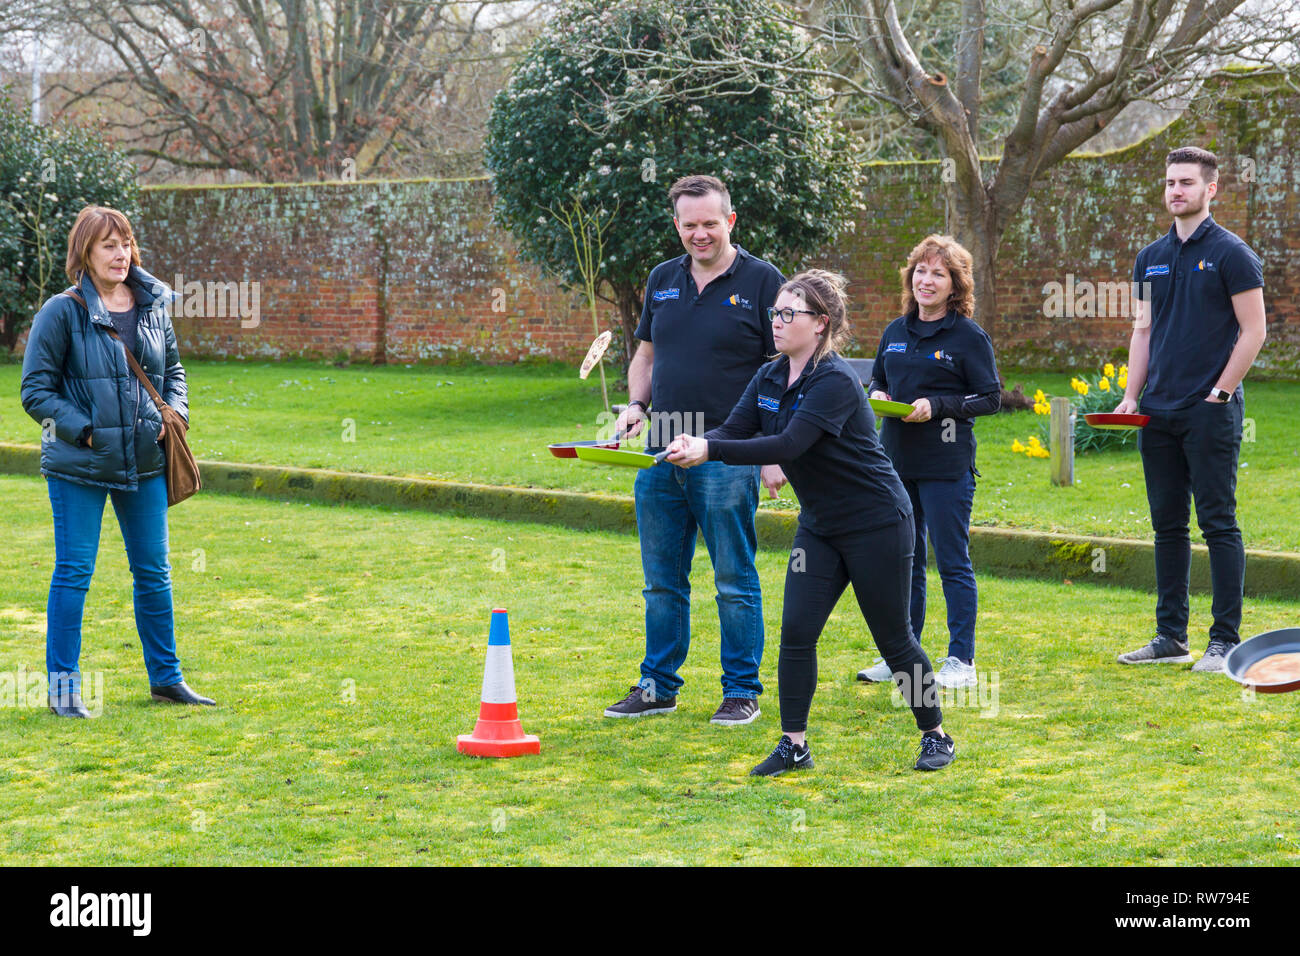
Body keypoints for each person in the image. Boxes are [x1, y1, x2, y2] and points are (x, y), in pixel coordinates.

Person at [667, 270, 955, 775]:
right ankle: (794, 745)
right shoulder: (770, 376)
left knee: (894, 639)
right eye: (774, 313)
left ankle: (936, 735)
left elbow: (788, 445)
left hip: (878, 524)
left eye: (787, 314)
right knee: (797, 633)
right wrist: (689, 442)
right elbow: (735, 429)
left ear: (820, 323)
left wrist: (711, 449)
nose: (776, 322)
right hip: (820, 526)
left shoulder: (836, 381)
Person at [602, 175, 786, 725]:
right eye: (689, 225)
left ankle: (741, 690)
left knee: (733, 577)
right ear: (676, 225)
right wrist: (636, 405)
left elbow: (782, 370)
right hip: (661, 448)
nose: (700, 233)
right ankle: (657, 686)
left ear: (730, 221)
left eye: (710, 222)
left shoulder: (762, 281)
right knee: (660, 580)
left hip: (727, 448)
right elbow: (647, 357)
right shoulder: (662, 279)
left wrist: (772, 450)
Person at [21, 205, 216, 717]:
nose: (120, 254)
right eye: (108, 245)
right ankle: (63, 692)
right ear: (85, 252)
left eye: (125, 243)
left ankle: (167, 680)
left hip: (146, 462)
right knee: (74, 573)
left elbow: (174, 371)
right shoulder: (60, 311)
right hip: (78, 468)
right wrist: (84, 431)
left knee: (154, 572)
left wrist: (173, 413)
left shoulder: (152, 306)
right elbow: (35, 391)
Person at [1115, 147, 1266, 672]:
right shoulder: (1149, 256)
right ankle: (1170, 638)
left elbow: (1254, 331)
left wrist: (1221, 393)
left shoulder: (1232, 253)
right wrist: (1132, 396)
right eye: (1170, 182)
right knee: (1167, 527)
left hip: (1209, 410)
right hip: (1156, 412)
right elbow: (1143, 331)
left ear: (1211, 189)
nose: (1176, 191)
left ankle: (1224, 640)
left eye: (1186, 183)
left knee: (1218, 524)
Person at [855, 236, 1000, 689]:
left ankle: (962, 661)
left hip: (946, 466)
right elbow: (879, 376)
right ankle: (902, 654)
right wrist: (878, 393)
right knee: (904, 559)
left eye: (938, 273)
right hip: (895, 463)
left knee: (952, 560)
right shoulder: (895, 331)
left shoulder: (968, 336)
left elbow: (990, 398)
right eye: (921, 271)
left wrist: (936, 406)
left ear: (955, 284)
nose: (927, 280)